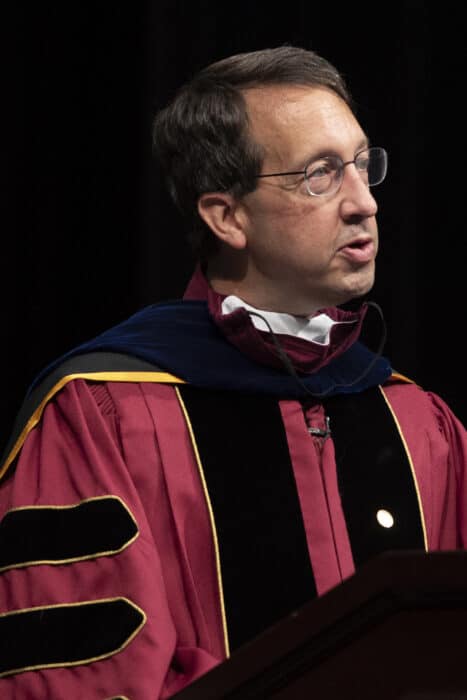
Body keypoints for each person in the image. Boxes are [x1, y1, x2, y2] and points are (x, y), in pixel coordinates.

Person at [0, 45, 465, 699]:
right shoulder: (99, 415)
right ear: (225, 215)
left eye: (362, 166)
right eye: (320, 175)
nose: (365, 204)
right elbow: (83, 678)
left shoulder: (418, 423)